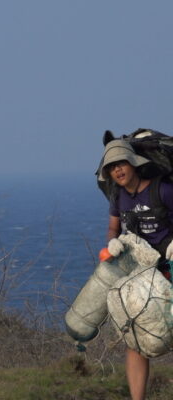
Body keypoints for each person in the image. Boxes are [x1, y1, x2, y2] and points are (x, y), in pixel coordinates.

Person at [99, 139, 173, 400]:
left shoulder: (162, 190)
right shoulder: (118, 196)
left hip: (168, 267)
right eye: (111, 168)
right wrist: (113, 241)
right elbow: (113, 227)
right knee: (135, 339)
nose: (117, 171)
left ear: (133, 163)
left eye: (121, 164)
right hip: (139, 273)